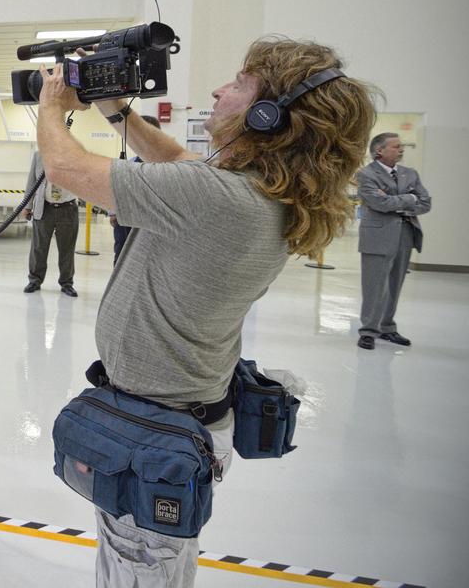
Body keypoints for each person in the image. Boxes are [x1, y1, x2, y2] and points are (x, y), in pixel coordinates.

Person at [36, 37, 374, 587]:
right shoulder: (262, 192)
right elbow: (173, 158)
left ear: (271, 115)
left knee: (140, 566)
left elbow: (64, 167)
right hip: (181, 413)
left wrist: (52, 102)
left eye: (240, 83)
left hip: (154, 423)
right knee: (154, 559)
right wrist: (119, 113)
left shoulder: (221, 199)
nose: (219, 90)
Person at [355, 132, 431, 350]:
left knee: (395, 284)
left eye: (401, 146)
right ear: (380, 150)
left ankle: (387, 328)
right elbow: (379, 203)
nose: (402, 149)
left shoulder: (410, 174)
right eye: (396, 146)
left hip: (406, 233)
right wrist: (409, 198)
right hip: (377, 235)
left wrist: (392, 200)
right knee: (374, 285)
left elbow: (425, 202)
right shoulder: (366, 174)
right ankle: (368, 331)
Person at [23, 148, 79, 296]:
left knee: (67, 249)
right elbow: (32, 182)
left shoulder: (74, 154)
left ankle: (67, 283)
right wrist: (27, 206)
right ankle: (35, 280)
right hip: (44, 208)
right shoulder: (39, 155)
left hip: (67, 208)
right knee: (38, 247)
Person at [110, 114, 161, 260]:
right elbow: (118, 187)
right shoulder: (130, 162)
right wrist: (113, 212)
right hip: (125, 221)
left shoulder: (165, 165)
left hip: (151, 223)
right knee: (121, 257)